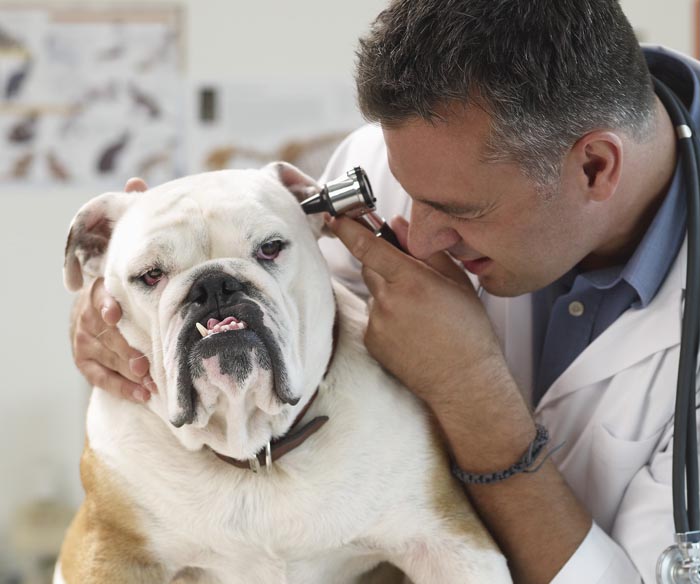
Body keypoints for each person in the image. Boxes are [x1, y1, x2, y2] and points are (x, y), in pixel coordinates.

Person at [70, 0, 697, 582]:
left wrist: (470, 389)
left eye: (459, 210)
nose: (418, 236)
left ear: (594, 166)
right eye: (408, 191)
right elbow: (276, 311)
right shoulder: (422, 152)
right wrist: (114, 315)